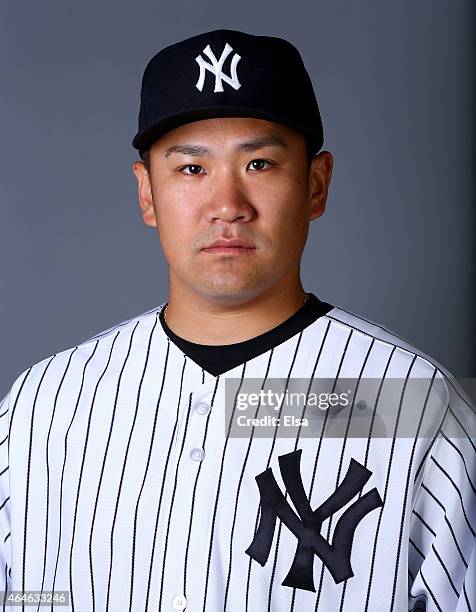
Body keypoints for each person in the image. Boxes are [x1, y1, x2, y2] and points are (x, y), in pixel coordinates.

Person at [0, 28, 474, 612]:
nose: (228, 204)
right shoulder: (44, 404)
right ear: (147, 193)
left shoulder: (411, 399)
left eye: (260, 162)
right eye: (192, 169)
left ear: (316, 185)